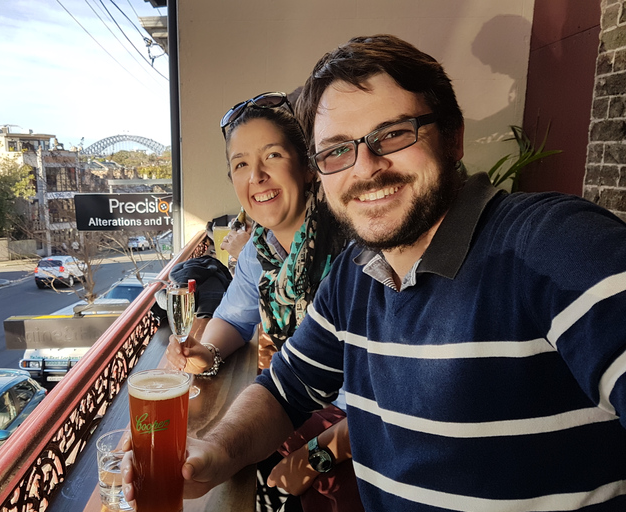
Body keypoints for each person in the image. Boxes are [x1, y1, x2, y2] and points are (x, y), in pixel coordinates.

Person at [121, 34, 626, 511]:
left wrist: (315, 454)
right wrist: (214, 453)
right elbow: (285, 389)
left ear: (453, 138)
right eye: (338, 149)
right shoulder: (357, 272)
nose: (365, 167)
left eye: (393, 134)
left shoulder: (553, 245)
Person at [164, 92, 358, 511]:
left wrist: (320, 453)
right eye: (241, 165)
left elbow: (389, 390)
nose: (257, 176)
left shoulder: (354, 248)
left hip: (361, 428)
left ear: (307, 167)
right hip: (294, 400)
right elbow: (234, 318)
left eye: (272, 156)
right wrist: (206, 352)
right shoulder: (260, 252)